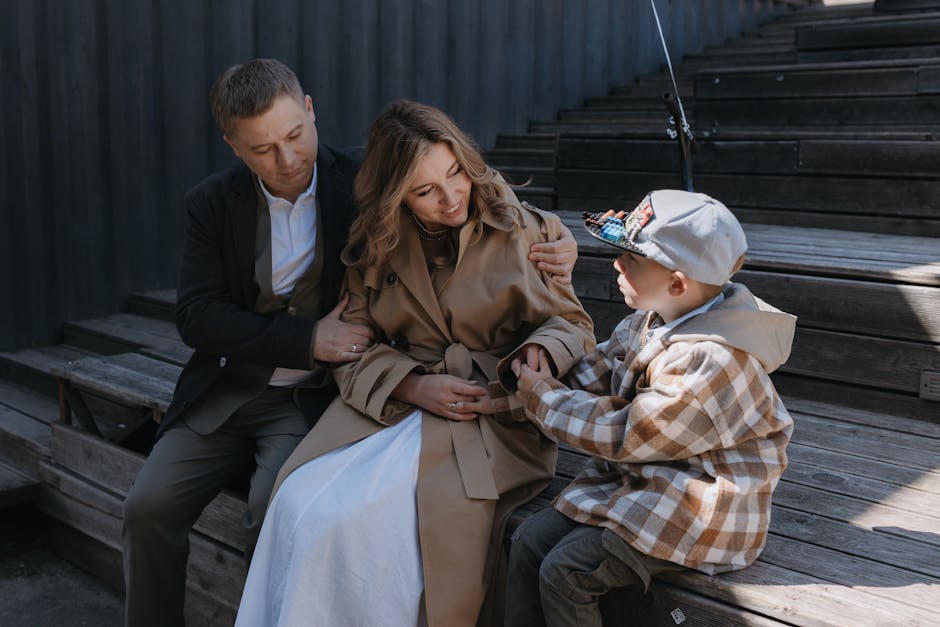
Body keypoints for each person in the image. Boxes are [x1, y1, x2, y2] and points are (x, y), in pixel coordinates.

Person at [121, 60, 578, 627]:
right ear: (234, 147)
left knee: (282, 507)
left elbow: (470, 185)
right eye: (263, 149)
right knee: (148, 509)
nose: (287, 159)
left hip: (316, 399)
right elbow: (197, 316)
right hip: (232, 389)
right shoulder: (216, 203)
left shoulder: (365, 179)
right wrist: (313, 339)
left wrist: (558, 238)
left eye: (295, 135)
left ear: (311, 111)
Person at [234, 100, 596, 627]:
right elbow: (353, 346)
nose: (450, 198)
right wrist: (410, 386)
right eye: (424, 191)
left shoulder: (521, 228)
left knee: (366, 522)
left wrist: (537, 352)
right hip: (393, 408)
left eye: (455, 174)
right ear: (396, 195)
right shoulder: (377, 242)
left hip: (488, 413)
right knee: (298, 501)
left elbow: (573, 324)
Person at [504, 190, 797, 627]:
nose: (616, 265)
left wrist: (541, 398)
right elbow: (589, 374)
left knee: (567, 571)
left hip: (705, 507)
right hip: (652, 479)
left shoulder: (713, 360)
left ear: (677, 283)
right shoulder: (649, 321)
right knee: (529, 540)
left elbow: (630, 433)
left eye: (631, 259)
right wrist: (513, 389)